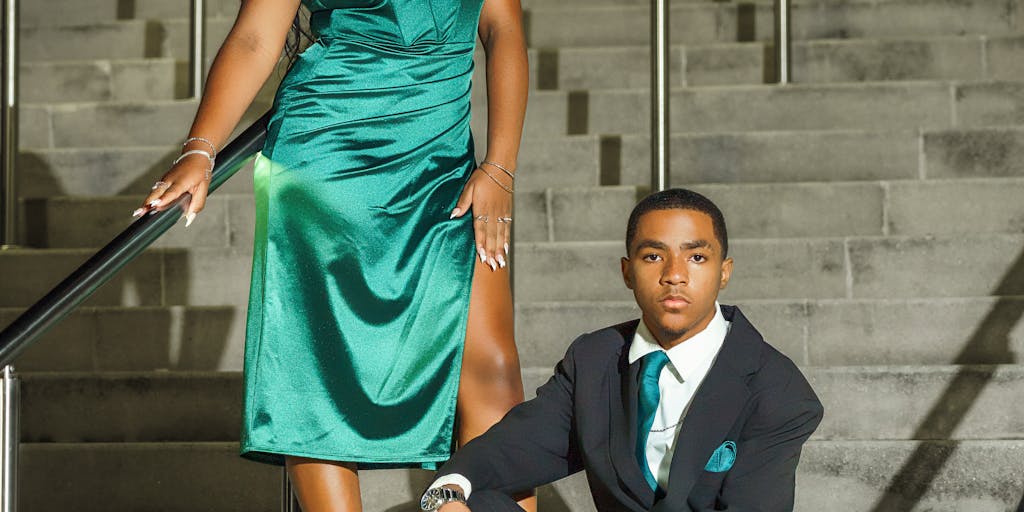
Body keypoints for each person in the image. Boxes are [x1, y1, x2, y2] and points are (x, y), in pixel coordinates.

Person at [132, 0, 534, 510]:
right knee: (316, 374)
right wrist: (200, 149)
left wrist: (500, 166)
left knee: (493, 371)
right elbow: (256, 36)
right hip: (324, 154)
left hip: (442, 160)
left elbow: (503, 28)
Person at [420, 188, 824, 512]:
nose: (674, 275)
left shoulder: (779, 392)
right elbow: (514, 448)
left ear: (724, 273)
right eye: (653, 256)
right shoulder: (594, 361)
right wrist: (446, 496)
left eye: (696, 257)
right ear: (627, 272)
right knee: (474, 499)